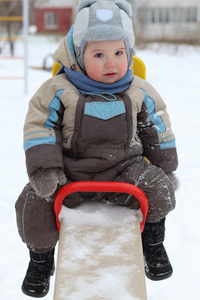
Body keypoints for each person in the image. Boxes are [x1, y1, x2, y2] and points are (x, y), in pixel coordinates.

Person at [15, 0, 179, 297]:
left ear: (128, 53)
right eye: (99, 54)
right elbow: (40, 124)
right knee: (31, 203)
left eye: (119, 53)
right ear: (78, 56)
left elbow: (156, 124)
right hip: (70, 172)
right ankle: (40, 260)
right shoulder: (60, 89)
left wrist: (164, 165)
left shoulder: (138, 89)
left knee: (159, 188)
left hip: (125, 170)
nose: (111, 63)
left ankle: (153, 246)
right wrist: (46, 170)